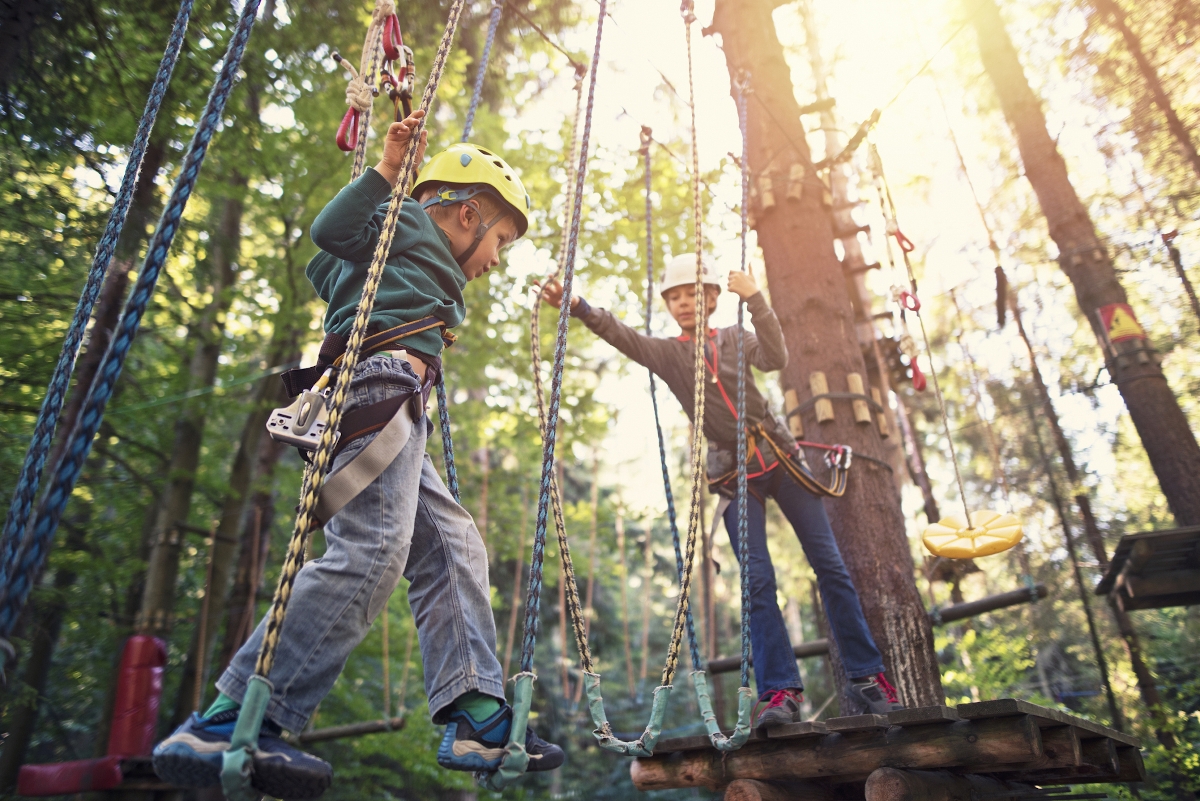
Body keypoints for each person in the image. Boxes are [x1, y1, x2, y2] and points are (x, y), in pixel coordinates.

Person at [153, 110, 564, 801]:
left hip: (397, 401)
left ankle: (472, 708)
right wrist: (387, 169)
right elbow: (331, 233)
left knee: (453, 542)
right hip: (376, 387)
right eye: (499, 240)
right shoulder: (400, 222)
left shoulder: (411, 257)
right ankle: (229, 719)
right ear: (466, 215)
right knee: (370, 553)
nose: (496, 260)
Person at [538, 253, 905, 727]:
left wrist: (755, 299)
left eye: (693, 294)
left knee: (830, 567)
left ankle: (867, 679)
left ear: (712, 297)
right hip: (733, 474)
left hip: (780, 457)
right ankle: (780, 694)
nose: (685, 303)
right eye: (676, 297)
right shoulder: (668, 354)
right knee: (756, 582)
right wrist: (579, 306)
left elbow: (775, 358)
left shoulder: (736, 337)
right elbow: (621, 335)